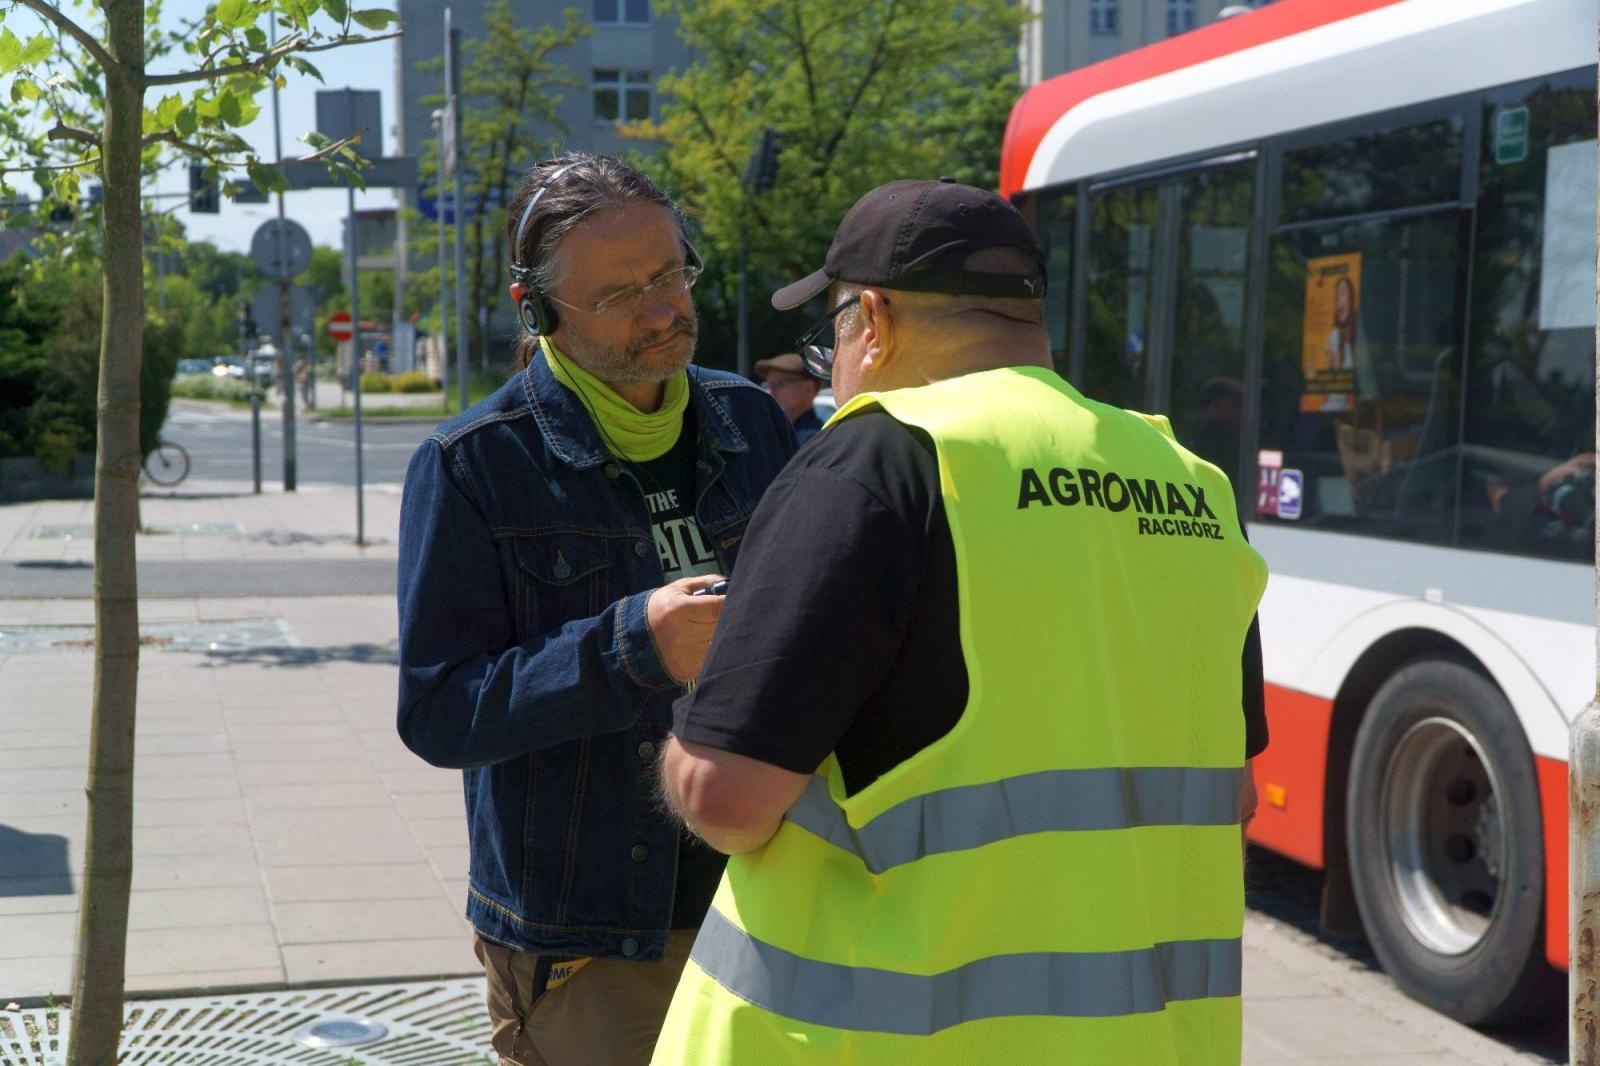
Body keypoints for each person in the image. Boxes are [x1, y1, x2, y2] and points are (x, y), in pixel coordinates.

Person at [651, 178, 1269, 1064]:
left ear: (873, 316)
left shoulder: (879, 458)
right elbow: (1229, 794)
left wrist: (688, 727)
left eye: (832, 331)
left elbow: (727, 800)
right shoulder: (1191, 482)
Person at [395, 151, 797, 1066]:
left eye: (670, 273)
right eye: (620, 294)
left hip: (769, 900)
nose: (664, 310)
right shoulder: (473, 465)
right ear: (533, 310)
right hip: (591, 946)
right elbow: (440, 712)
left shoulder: (754, 423)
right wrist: (632, 647)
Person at [755, 352, 824, 443]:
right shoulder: (779, 433)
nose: (769, 392)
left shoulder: (814, 439)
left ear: (808, 387)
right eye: (767, 385)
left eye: (778, 384)